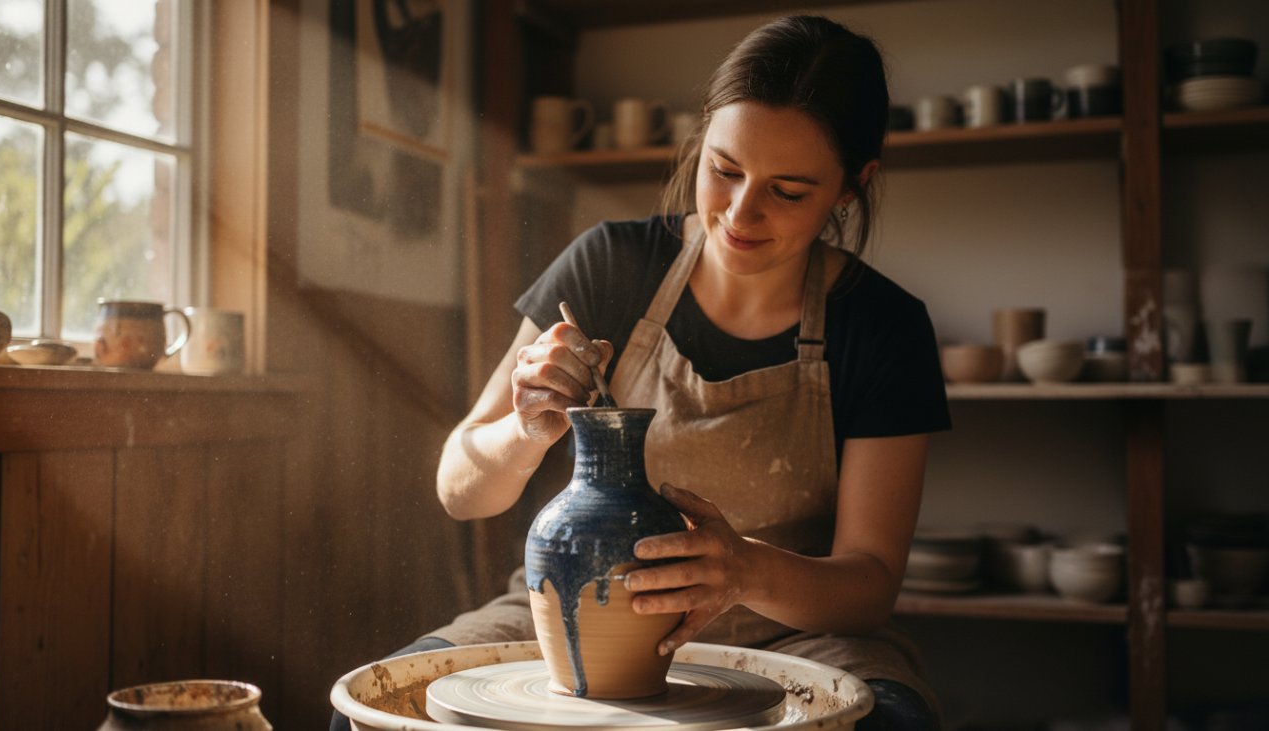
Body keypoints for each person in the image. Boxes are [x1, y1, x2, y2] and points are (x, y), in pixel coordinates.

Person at [330, 14, 950, 731]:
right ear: (702, 137)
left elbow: (870, 585)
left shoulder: (881, 323)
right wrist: (524, 431)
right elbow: (457, 487)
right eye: (723, 169)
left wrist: (747, 570)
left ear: (850, 186)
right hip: (569, 616)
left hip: (793, 631)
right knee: (370, 716)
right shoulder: (610, 267)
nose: (741, 212)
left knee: (890, 722)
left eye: (788, 190)